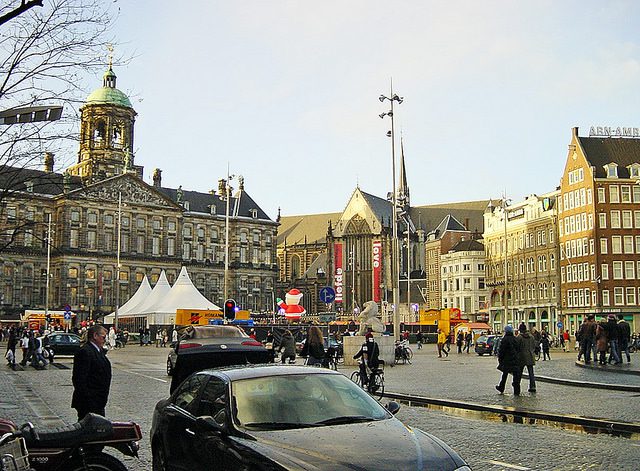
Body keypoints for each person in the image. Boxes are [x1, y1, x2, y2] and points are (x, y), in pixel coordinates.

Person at [71, 325, 112, 420]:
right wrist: (89, 399)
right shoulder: (85, 352)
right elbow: (79, 379)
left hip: (98, 400)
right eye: (103, 337)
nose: (104, 340)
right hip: (89, 402)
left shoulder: (98, 351)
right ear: (95, 336)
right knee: (90, 429)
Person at [496, 325, 522, 396]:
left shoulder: (504, 339)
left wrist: (500, 359)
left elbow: (502, 350)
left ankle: (501, 387)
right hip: (515, 360)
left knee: (504, 375)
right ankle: (517, 390)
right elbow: (518, 349)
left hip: (507, 360)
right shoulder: (515, 339)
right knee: (515, 376)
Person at [517, 324, 537, 393]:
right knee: (531, 373)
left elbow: (517, 347)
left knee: (519, 372)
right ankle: (533, 386)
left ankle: (517, 385)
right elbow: (534, 345)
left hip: (522, 356)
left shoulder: (519, 337)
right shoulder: (531, 337)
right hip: (530, 355)